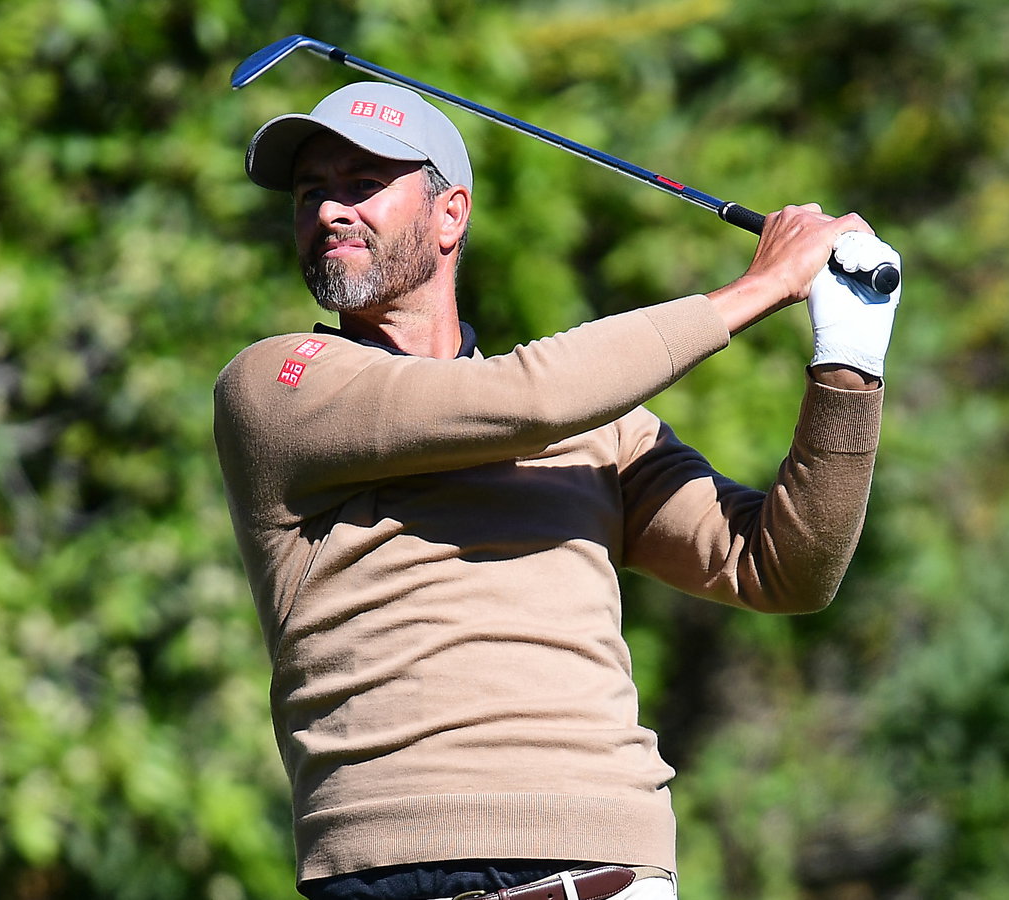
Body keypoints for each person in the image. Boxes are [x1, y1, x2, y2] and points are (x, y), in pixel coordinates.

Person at [214, 81, 902, 900]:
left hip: (604, 861)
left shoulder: (602, 428)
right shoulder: (280, 386)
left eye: (361, 185)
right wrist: (761, 286)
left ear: (450, 215)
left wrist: (849, 357)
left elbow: (780, 569)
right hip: (386, 868)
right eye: (309, 192)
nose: (328, 211)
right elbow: (524, 401)